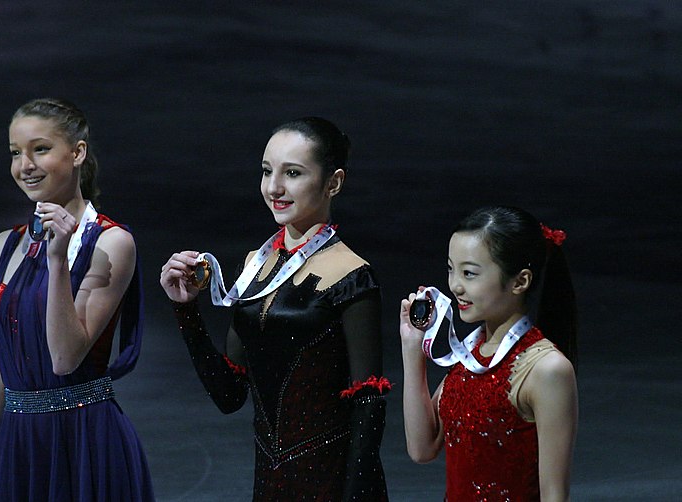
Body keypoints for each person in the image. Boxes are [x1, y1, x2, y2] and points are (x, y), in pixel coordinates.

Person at [160, 117, 389, 500]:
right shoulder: (254, 268)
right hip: (270, 482)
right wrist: (186, 311)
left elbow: (368, 408)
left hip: (332, 485)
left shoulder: (352, 276)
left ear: (333, 182)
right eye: (267, 172)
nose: (274, 188)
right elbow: (229, 395)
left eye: (293, 173)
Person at [0, 98, 154, 501]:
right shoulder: (5, 247)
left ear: (77, 153)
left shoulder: (112, 243)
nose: (24, 165)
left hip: (85, 445)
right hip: (19, 449)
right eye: (16, 153)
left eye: (40, 149)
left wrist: (58, 259)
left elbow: (65, 358)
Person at [400, 205, 578, 501]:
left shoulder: (546, 369)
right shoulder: (470, 356)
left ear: (520, 281)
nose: (455, 285)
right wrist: (412, 349)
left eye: (469, 273)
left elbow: (554, 494)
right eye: (450, 269)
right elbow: (422, 448)